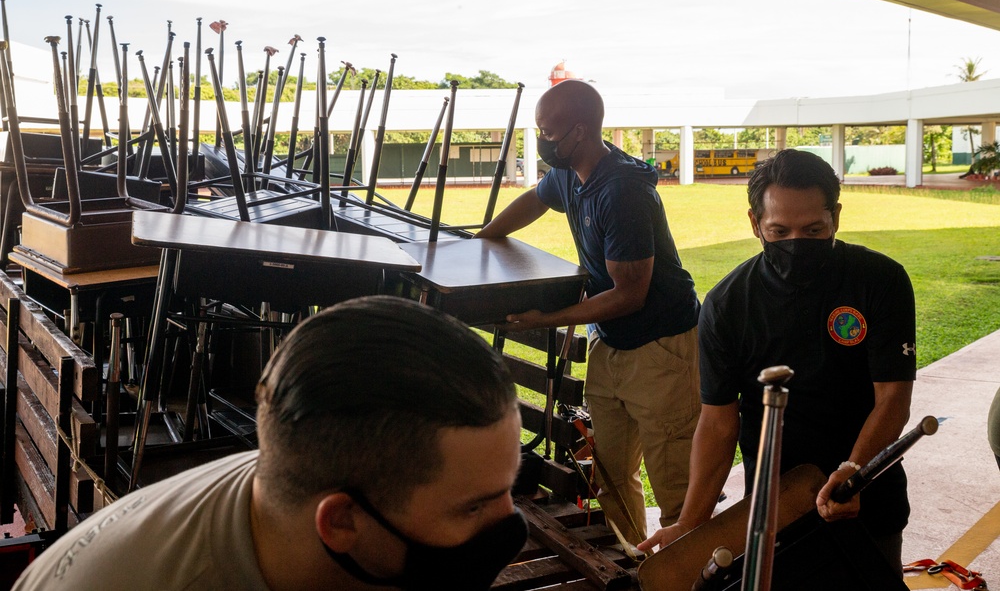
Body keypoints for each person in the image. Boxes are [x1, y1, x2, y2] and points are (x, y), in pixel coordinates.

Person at [14, 296, 527, 591]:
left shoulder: (299, 485)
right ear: (342, 521)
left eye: (509, 489)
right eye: (474, 507)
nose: (510, 526)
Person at [638, 149, 916, 575]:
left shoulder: (880, 281)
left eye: (813, 229)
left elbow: (893, 397)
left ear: (836, 216)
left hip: (868, 500)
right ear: (755, 223)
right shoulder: (727, 305)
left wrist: (854, 471)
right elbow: (717, 423)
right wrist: (690, 525)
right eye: (779, 230)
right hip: (773, 513)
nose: (795, 244)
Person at [478, 79, 701, 543]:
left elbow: (630, 294)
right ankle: (637, 569)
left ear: (579, 132)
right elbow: (534, 201)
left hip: (660, 350)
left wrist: (545, 320)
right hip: (612, 341)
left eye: (548, 132)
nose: (542, 142)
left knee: (677, 489)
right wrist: (481, 239)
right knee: (613, 480)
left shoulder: (621, 192)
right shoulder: (568, 174)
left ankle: (685, 572)